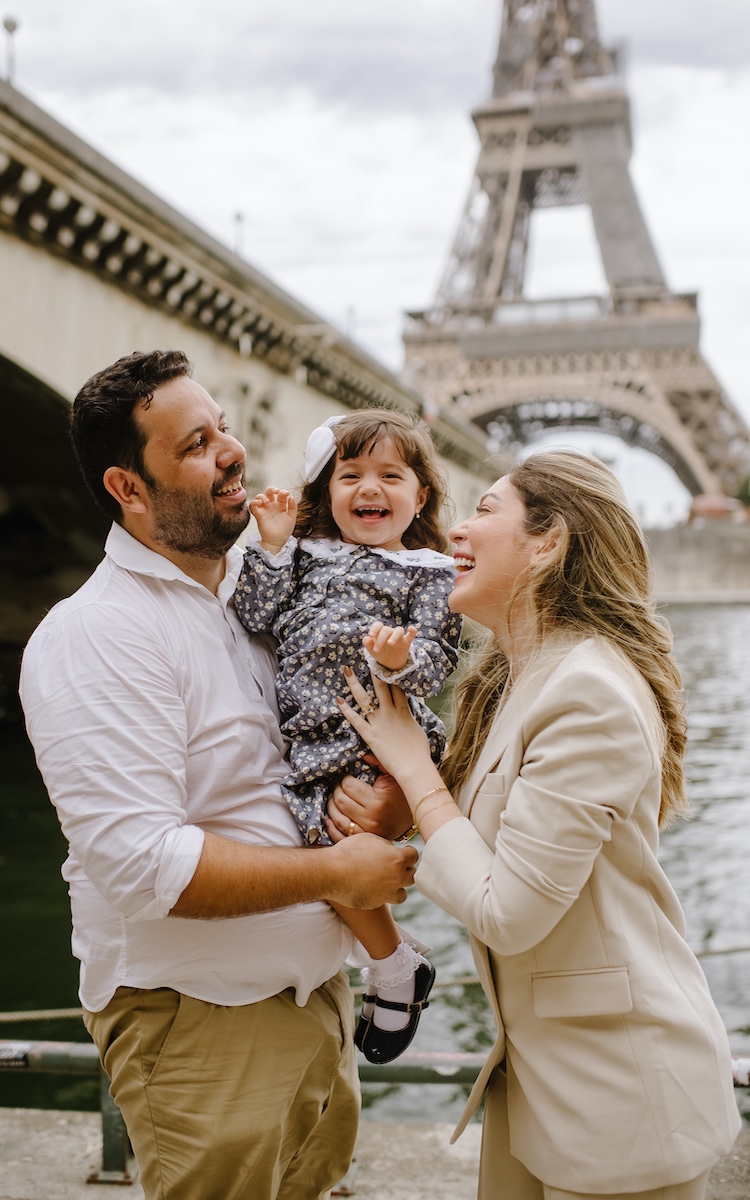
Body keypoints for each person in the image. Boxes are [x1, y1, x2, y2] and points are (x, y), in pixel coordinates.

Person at [19, 350, 418, 1200]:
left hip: (314, 1005)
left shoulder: (259, 588)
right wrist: (339, 872)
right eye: (197, 443)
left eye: (226, 426)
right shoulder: (97, 634)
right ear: (130, 488)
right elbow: (140, 863)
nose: (232, 451)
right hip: (202, 1029)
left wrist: (378, 804)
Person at [331, 450, 741, 1200]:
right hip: (547, 1084)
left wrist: (415, 770)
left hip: (621, 1099)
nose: (456, 528)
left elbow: (508, 913)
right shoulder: (524, 675)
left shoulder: (586, 691)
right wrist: (406, 803)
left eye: (486, 510)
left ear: (548, 541)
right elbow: (486, 835)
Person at [233, 410, 462, 1063]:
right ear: (325, 493)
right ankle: (393, 964)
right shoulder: (300, 556)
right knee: (324, 848)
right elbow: (254, 615)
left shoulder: (430, 572)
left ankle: (391, 967)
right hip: (310, 740)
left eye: (391, 475)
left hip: (378, 730)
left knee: (340, 845)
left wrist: (398, 663)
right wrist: (272, 546)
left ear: (420, 498)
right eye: (351, 473)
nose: (370, 487)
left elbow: (436, 664)